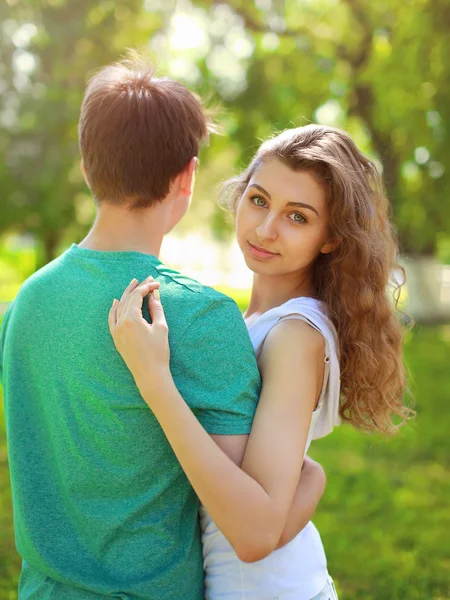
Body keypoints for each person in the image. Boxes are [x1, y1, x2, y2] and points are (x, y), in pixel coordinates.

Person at [0, 57, 326, 600]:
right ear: (188, 176)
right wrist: (312, 479)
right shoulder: (198, 317)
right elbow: (252, 515)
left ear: (87, 166)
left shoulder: (24, 305)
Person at [108, 124, 413, 600]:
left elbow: (254, 536)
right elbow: (290, 474)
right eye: (259, 200)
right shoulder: (259, 322)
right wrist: (310, 477)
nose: (266, 229)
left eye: (297, 217)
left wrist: (154, 380)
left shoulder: (295, 334)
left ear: (330, 237)